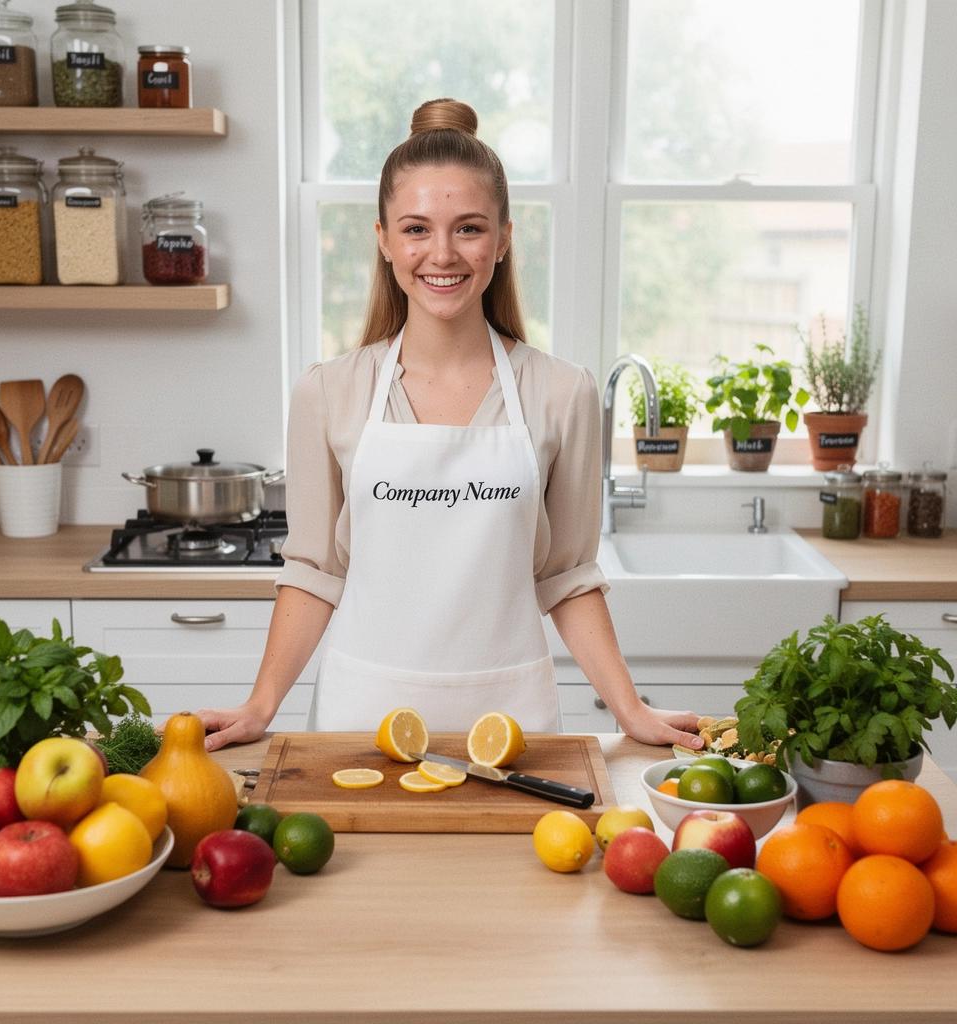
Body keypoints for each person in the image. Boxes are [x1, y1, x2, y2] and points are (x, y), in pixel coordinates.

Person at [197, 98, 703, 753]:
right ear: (383, 239)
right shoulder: (329, 392)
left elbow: (568, 576)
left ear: (504, 238)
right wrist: (260, 704)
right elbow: (315, 570)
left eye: (468, 228)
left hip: (511, 721)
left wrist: (630, 707)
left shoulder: (562, 392)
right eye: (416, 229)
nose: (442, 254)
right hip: (360, 719)